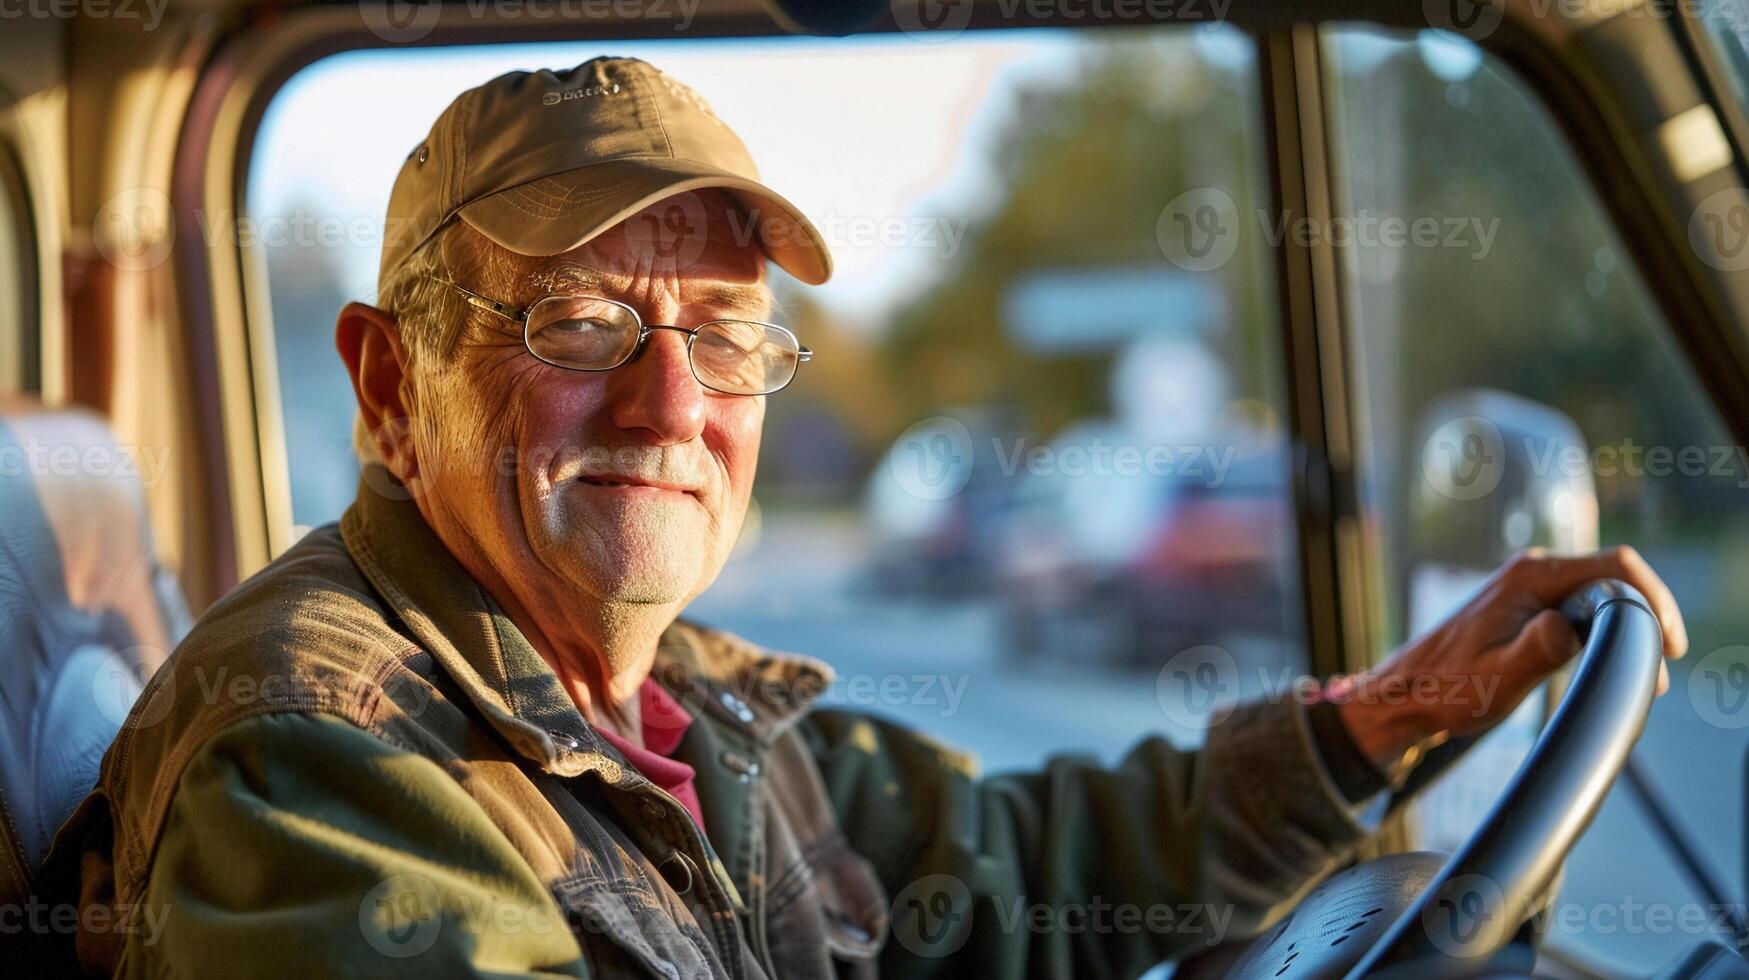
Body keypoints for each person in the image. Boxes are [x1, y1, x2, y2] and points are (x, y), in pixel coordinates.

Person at [56, 56, 1687, 978]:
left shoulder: (671, 701)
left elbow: (1027, 867)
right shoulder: (317, 758)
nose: (671, 407)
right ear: (389, 381)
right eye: (576, 325)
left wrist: (1385, 714)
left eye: (721, 334)